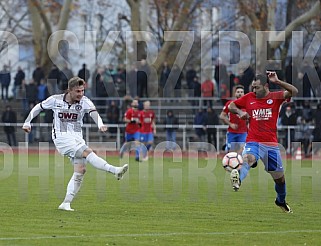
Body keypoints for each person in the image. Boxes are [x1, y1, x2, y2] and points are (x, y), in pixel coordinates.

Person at [22, 77, 128, 211]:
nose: (81, 94)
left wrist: (100, 124)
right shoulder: (55, 99)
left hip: (77, 138)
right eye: (78, 91)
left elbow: (93, 113)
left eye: (82, 91)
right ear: (69, 90)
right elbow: (38, 107)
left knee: (80, 171)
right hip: (61, 138)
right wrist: (27, 122)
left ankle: (66, 203)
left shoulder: (84, 101)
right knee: (87, 152)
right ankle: (115, 171)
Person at [228, 72, 298, 213]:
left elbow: (294, 91)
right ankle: (238, 180)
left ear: (266, 86)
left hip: (271, 145)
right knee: (248, 158)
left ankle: (280, 201)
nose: (254, 90)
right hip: (253, 141)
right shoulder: (249, 98)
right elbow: (231, 106)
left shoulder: (276, 97)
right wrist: (239, 112)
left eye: (257, 87)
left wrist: (277, 81)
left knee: (280, 180)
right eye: (253, 87)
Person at [220, 85, 247, 154]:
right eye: (238, 92)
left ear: (244, 94)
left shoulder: (247, 104)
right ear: (235, 93)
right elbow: (222, 116)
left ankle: (238, 164)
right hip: (232, 132)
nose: (240, 93)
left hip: (243, 132)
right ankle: (229, 162)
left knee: (241, 151)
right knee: (230, 152)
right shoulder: (229, 104)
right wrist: (230, 124)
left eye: (241, 92)